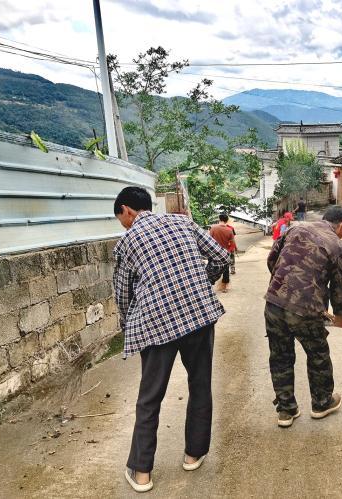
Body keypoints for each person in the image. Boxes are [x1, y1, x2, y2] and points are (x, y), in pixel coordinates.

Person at [112, 186, 230, 493]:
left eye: (120, 218)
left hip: (155, 324)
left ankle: (141, 473)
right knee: (200, 385)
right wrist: (200, 282)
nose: (122, 224)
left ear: (127, 211)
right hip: (199, 317)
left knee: (149, 398)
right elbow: (220, 256)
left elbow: (123, 294)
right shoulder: (183, 222)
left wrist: (128, 324)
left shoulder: (126, 242)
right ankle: (193, 454)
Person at [265, 205, 342, 428]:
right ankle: (322, 403)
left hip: (274, 303)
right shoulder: (337, 246)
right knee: (318, 355)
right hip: (306, 310)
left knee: (280, 356)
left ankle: (286, 410)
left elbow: (272, 259)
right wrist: (340, 316)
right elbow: (337, 287)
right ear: (341, 225)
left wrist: (284, 285)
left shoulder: (295, 229)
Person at [209, 213, 236, 292]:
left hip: (214, 252)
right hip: (225, 253)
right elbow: (232, 244)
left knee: (211, 269)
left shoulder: (213, 228)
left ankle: (209, 286)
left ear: (219, 219)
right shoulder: (229, 230)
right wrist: (229, 251)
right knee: (225, 270)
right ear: (226, 220)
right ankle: (224, 287)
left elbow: (209, 240)